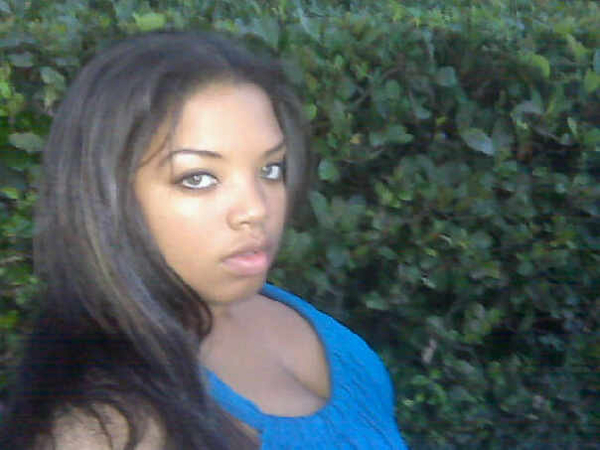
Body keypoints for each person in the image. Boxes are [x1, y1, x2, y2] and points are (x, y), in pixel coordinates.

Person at [0, 31, 408, 449]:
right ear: (106, 196)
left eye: (270, 169)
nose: (256, 209)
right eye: (198, 178)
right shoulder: (104, 429)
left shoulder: (286, 314)